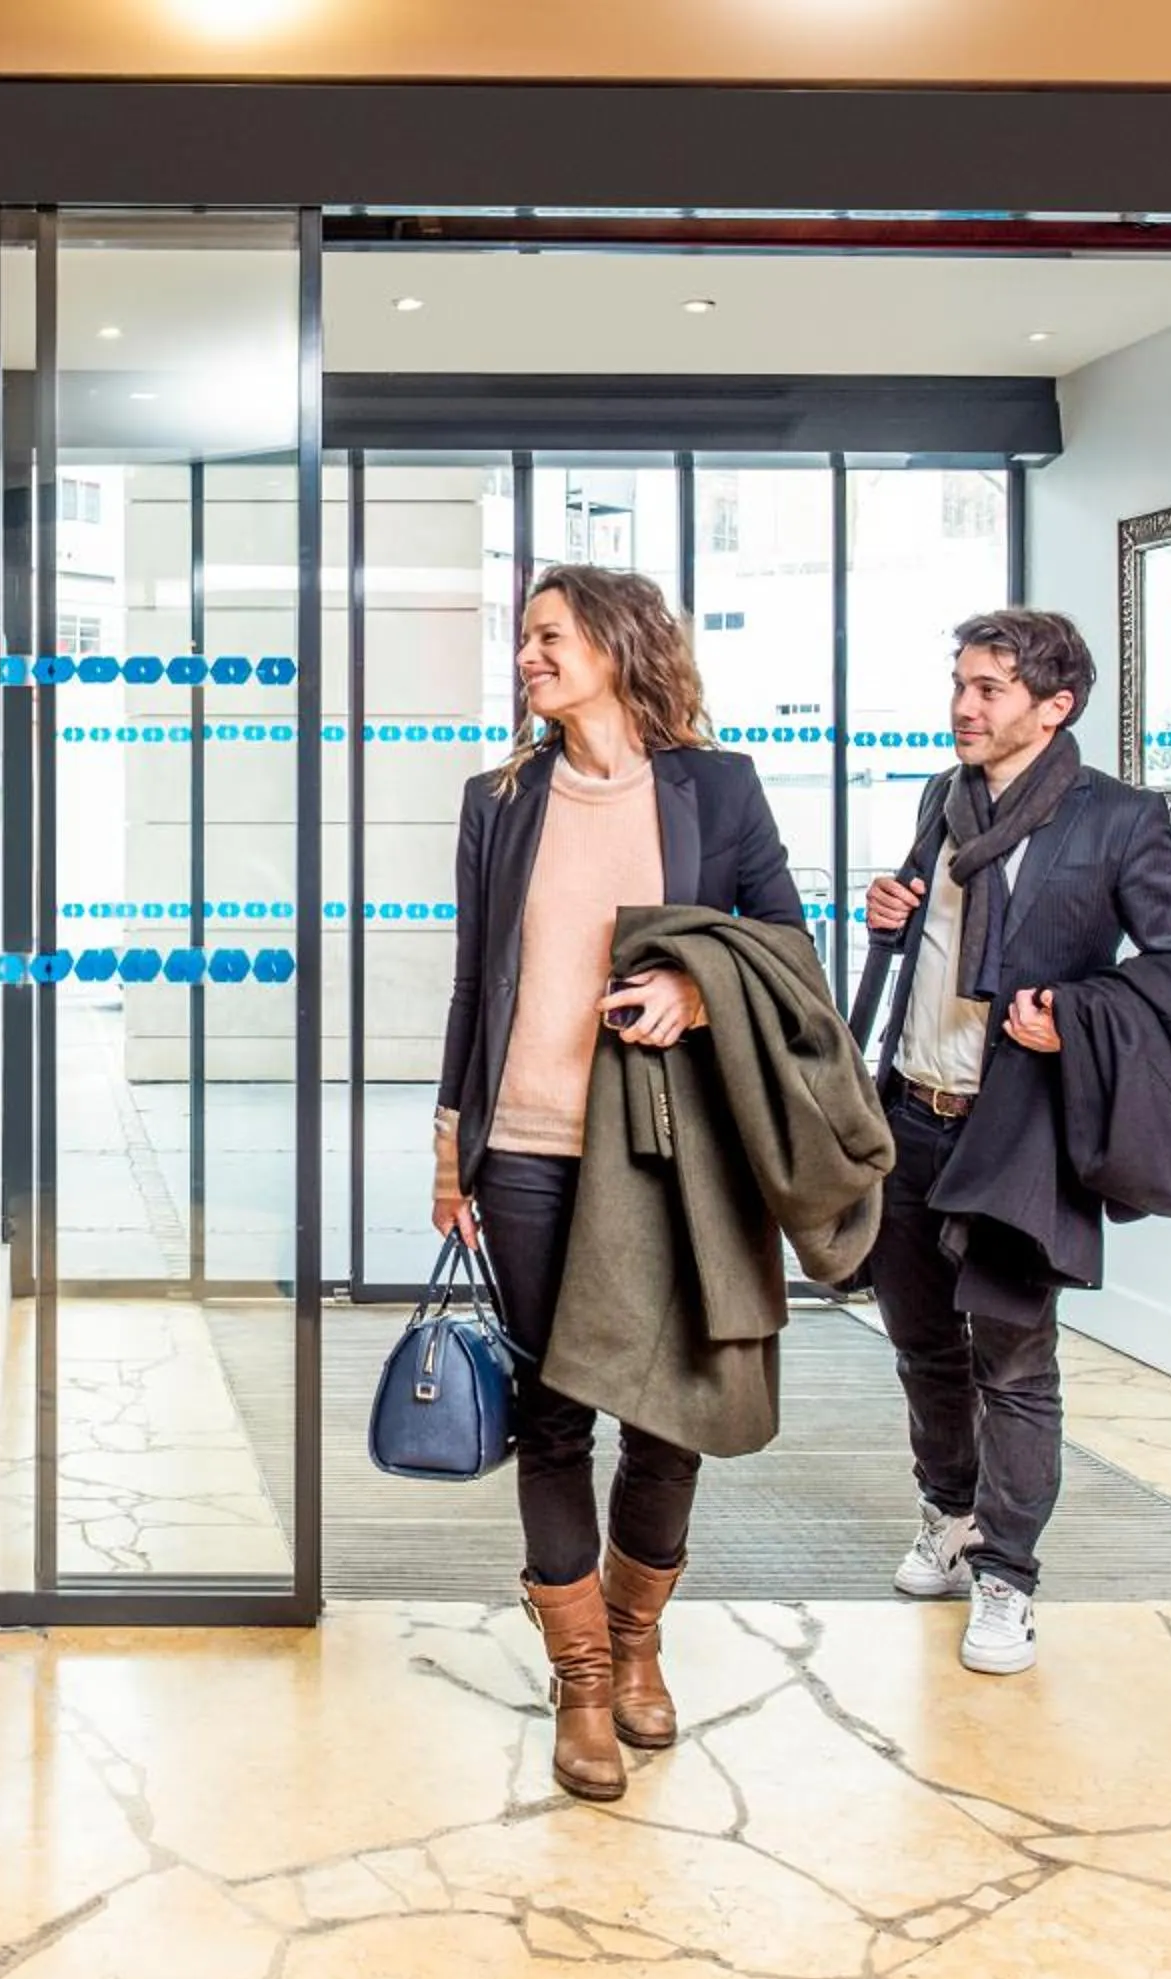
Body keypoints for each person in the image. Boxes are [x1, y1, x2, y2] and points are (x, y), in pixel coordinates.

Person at [433, 564, 806, 1803]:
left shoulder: (718, 786)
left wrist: (698, 989)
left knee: (669, 1408)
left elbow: (787, 944)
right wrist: (452, 1139)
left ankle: (641, 1641)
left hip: (670, 1148)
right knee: (553, 1411)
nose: (528, 656)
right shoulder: (501, 799)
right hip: (529, 1147)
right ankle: (584, 1679)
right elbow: (471, 977)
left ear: (615, 641)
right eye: (525, 639)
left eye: (547, 635)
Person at [859, 609, 1171, 1677]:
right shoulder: (944, 796)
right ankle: (951, 1515)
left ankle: (1009, 1575)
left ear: (1055, 707)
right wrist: (887, 913)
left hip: (1019, 1130)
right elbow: (927, 939)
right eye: (959, 683)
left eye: (990, 689)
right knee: (922, 1345)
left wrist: (1076, 1012)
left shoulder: (1119, 820)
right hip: (911, 1114)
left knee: (1013, 1362)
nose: (964, 706)